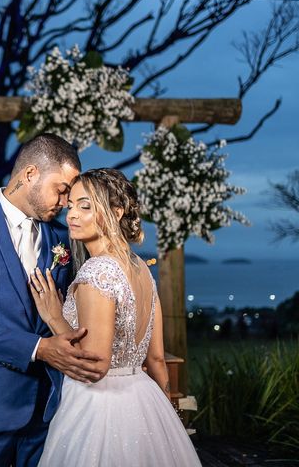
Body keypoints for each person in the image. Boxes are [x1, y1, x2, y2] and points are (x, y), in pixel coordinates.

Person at [0, 133, 105, 466]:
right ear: (30, 175)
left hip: (48, 409)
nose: (66, 201)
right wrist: (38, 348)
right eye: (62, 189)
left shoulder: (60, 237)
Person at [29, 168, 202, 466]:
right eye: (71, 205)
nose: (71, 214)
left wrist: (54, 317)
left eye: (85, 206)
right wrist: (167, 416)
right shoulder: (142, 269)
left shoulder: (98, 271)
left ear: (116, 211)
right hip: (144, 400)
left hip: (100, 410)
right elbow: (157, 360)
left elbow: (95, 365)